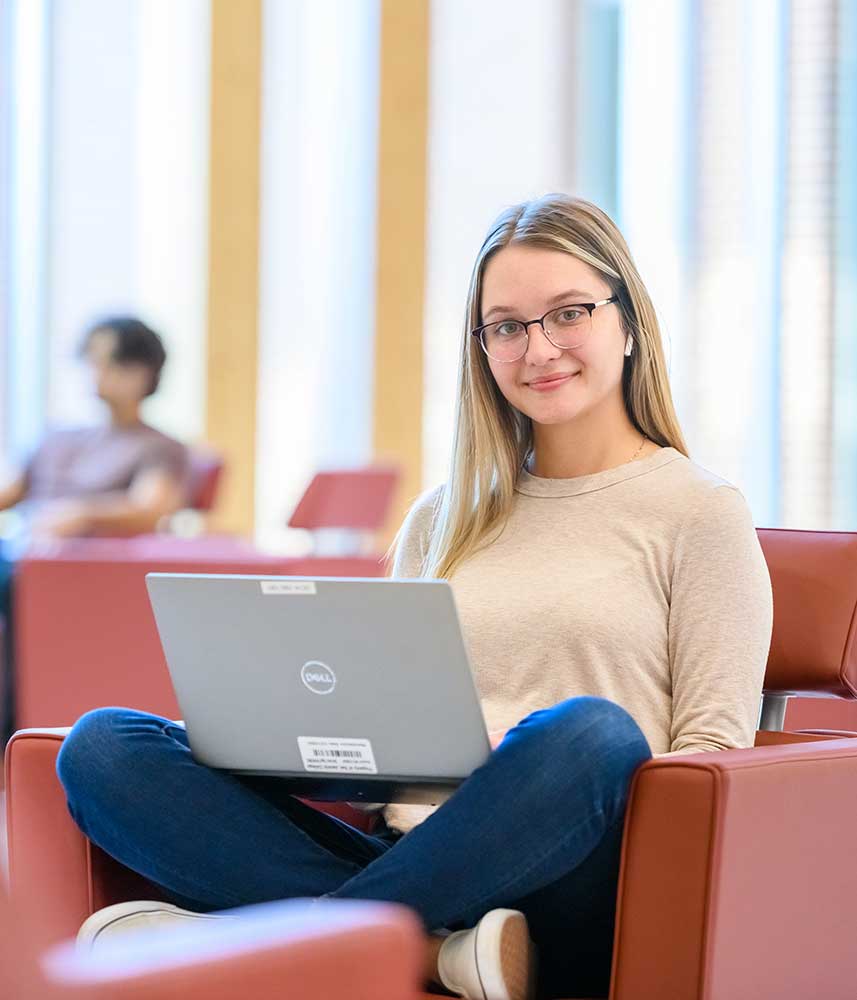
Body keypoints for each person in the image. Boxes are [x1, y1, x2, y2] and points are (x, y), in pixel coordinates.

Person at [55, 198, 773, 1000]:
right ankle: (433, 952)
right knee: (103, 747)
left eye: (567, 313)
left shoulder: (699, 510)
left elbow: (711, 750)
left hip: (569, 863)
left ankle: (285, 942)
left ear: (628, 319)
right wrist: (297, 742)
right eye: (504, 326)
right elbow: (374, 725)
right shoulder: (442, 515)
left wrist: (517, 764)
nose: (537, 348)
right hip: (406, 854)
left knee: (592, 735)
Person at [0, 316, 189, 741]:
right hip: (20, 554)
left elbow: (149, 508)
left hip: (76, 573)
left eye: (105, 362)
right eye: (91, 361)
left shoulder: (159, 447)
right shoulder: (58, 437)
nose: (94, 372)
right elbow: (9, 491)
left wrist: (81, 513)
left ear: (141, 372)